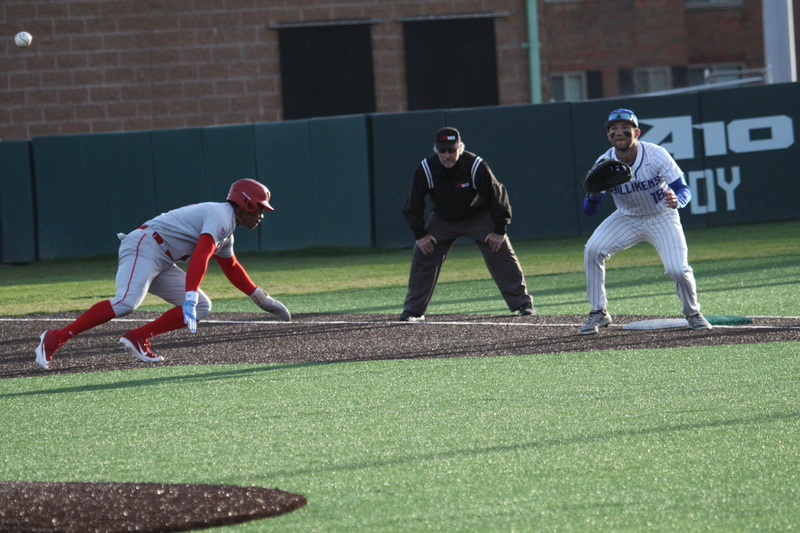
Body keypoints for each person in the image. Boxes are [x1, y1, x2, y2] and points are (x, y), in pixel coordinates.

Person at [35, 178, 291, 369]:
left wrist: (261, 298)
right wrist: (189, 294)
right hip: (144, 245)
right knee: (125, 303)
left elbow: (231, 267)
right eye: (259, 208)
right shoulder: (220, 215)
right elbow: (201, 256)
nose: (260, 215)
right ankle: (54, 338)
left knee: (202, 306)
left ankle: (137, 337)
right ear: (245, 203)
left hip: (161, 256)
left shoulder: (226, 229)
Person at [578, 108, 711, 335]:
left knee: (678, 269)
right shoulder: (604, 162)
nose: (619, 133)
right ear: (608, 135)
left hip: (662, 217)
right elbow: (590, 210)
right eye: (613, 129)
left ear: (636, 132)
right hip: (626, 217)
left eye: (625, 129)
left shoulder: (655, 154)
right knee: (592, 249)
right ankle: (598, 311)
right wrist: (593, 195)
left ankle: (693, 313)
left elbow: (683, 188)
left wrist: (677, 200)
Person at [398, 127, 534, 322]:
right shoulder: (427, 168)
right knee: (423, 253)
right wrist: (420, 235)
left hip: (478, 216)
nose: (447, 155)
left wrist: (499, 229)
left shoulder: (475, 165)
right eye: (443, 151)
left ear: (460, 148)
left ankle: (523, 303)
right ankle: (413, 310)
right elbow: (413, 203)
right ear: (436, 149)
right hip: (443, 219)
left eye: (452, 150)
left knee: (501, 250)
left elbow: (497, 195)